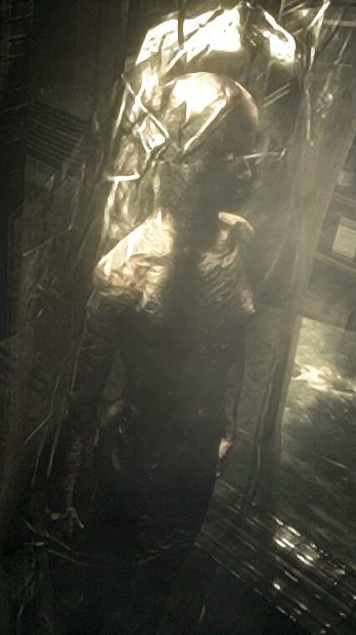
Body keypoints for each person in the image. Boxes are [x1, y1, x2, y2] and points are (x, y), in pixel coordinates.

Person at [47, 72, 261, 633]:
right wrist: (63, 492)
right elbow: (83, 396)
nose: (247, 169)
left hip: (199, 456)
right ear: (183, 158)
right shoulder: (128, 269)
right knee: (114, 593)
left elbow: (235, 338)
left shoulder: (236, 237)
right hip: (138, 462)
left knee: (161, 585)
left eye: (249, 152)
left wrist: (228, 421)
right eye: (229, 154)